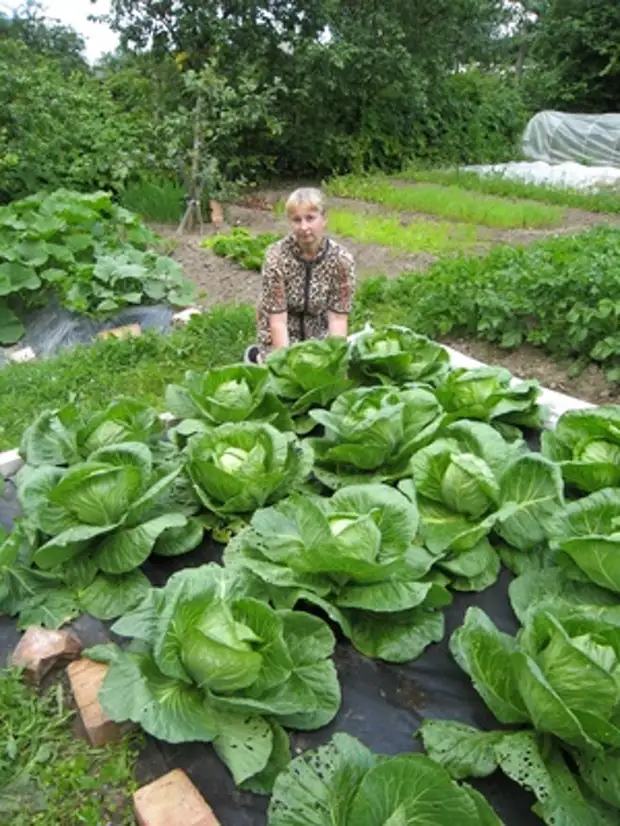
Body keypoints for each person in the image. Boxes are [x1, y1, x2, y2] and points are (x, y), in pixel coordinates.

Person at [244, 187, 356, 363]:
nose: (304, 227)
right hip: (280, 334)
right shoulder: (276, 257)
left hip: (318, 335)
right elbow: (278, 320)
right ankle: (256, 356)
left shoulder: (341, 260)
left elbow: (337, 318)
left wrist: (336, 361)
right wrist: (286, 365)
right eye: (297, 220)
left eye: (310, 218)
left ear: (324, 219)